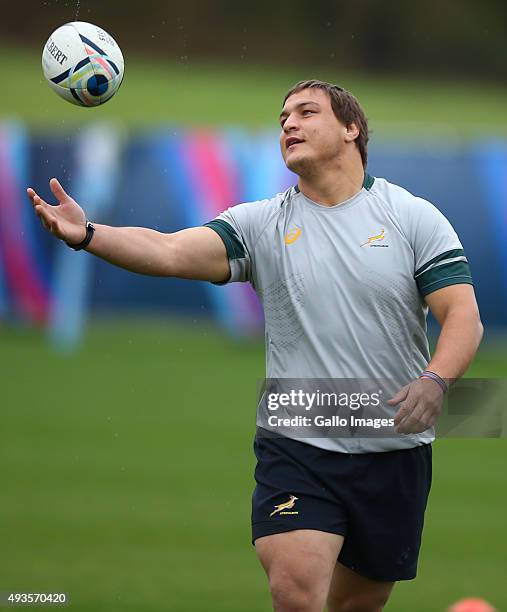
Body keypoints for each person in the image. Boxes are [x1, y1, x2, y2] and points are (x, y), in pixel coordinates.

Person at [27, 80, 483, 612]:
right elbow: (171, 251)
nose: (288, 123)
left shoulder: (412, 218)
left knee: (357, 605)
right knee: (295, 591)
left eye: (306, 112)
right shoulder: (262, 223)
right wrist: (89, 235)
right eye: (283, 116)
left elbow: (464, 317)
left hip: (395, 448)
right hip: (298, 442)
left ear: (351, 129)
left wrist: (436, 381)